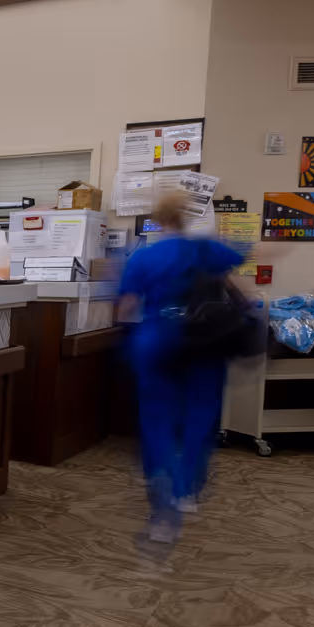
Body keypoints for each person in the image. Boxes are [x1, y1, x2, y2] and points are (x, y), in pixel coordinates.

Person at [117, 188, 246, 544]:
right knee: (200, 416)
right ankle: (186, 490)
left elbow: (127, 306)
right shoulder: (207, 250)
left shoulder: (142, 258)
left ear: (157, 220)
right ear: (185, 217)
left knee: (157, 418)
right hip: (205, 343)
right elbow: (240, 279)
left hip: (157, 341)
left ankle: (161, 480)